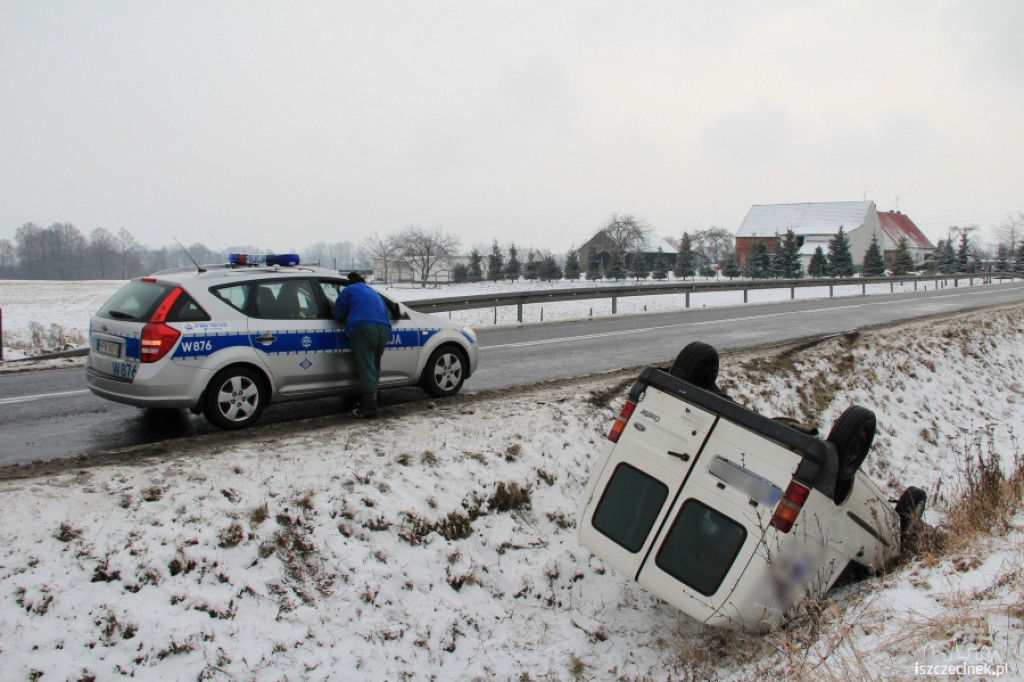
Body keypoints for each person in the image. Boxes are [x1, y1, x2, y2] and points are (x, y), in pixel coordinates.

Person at [332, 272, 392, 418]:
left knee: (366, 367)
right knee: (374, 366)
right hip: (383, 330)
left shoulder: (349, 290)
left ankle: (369, 409)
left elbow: (338, 313)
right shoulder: (373, 292)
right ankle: (373, 400)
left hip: (365, 330)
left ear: (350, 282)